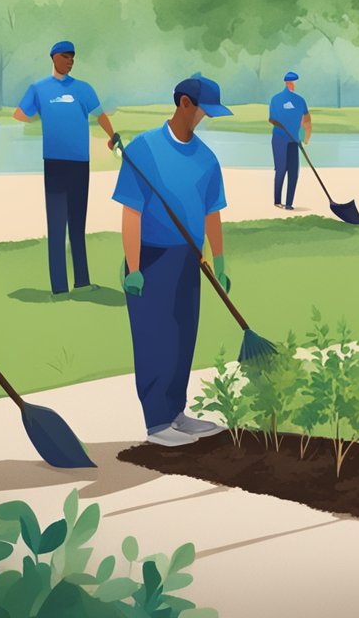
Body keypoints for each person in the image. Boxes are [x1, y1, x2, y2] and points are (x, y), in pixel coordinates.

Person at [114, 75, 232, 447]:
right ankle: (156, 423)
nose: (204, 118)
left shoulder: (207, 159)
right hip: (150, 258)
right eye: (202, 110)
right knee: (154, 339)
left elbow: (212, 212)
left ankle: (176, 414)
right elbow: (131, 212)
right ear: (184, 103)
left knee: (183, 337)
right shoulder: (144, 149)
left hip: (189, 259)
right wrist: (133, 267)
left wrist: (221, 260)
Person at [14, 40, 119, 295]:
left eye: (73, 56)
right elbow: (20, 114)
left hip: (80, 164)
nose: (70, 60)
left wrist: (112, 135)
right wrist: (43, 115)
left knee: (77, 225)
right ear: (54, 58)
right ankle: (59, 287)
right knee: (56, 226)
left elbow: (100, 115)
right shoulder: (39, 89)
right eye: (65, 56)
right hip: (54, 163)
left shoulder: (84, 89)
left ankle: (82, 281)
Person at [267, 70, 311, 210]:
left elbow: (306, 120)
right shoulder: (276, 99)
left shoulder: (299, 100)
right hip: (280, 139)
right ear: (288, 82)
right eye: (292, 82)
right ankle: (278, 200)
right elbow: (272, 119)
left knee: (293, 171)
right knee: (281, 170)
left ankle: (288, 203)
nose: (293, 84)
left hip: (293, 141)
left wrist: (304, 138)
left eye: (294, 82)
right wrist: (303, 136)